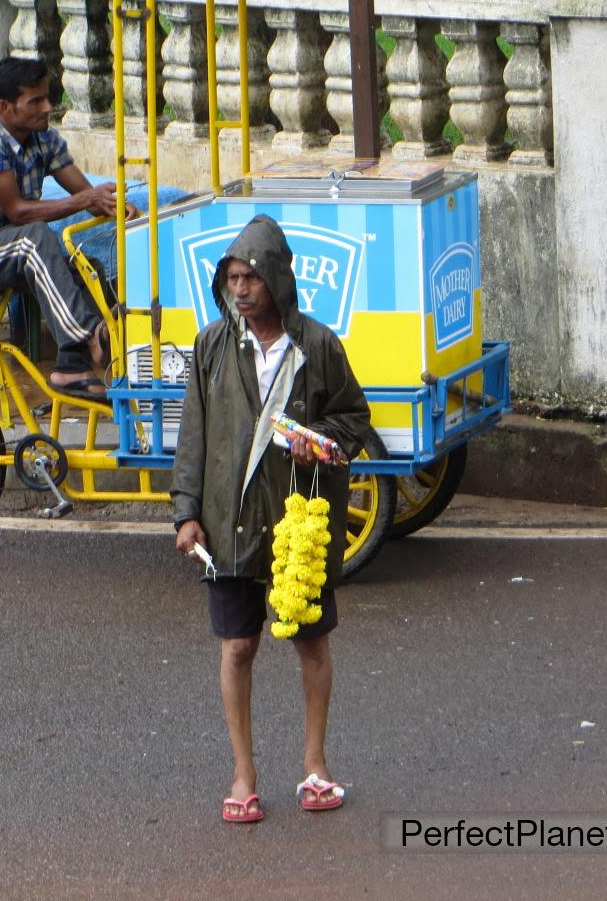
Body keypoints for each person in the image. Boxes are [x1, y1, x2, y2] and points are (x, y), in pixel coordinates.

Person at [171, 214, 374, 824]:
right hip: (228, 524)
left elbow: (354, 419)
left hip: (298, 526)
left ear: (278, 282)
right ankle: (244, 775)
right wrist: (185, 513)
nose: (240, 289)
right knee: (237, 647)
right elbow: (194, 436)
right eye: (232, 278)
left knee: (310, 642)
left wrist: (321, 441)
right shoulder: (211, 346)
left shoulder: (316, 346)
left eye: (250, 278)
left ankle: (316, 766)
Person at [0, 56, 137, 401]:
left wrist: (117, 207)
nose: (48, 107)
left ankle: (70, 363)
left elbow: (84, 195)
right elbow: (18, 213)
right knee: (32, 239)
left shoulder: (43, 139)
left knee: (82, 266)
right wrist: (85, 200)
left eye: (47, 97)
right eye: (36, 101)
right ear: (5, 107)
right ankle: (91, 335)